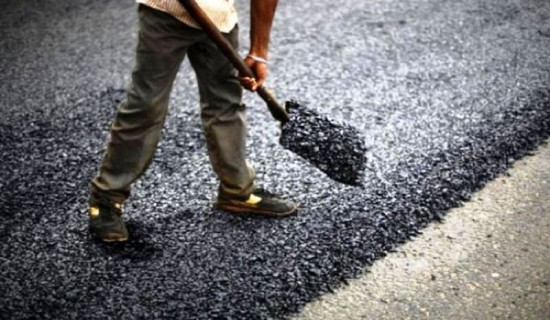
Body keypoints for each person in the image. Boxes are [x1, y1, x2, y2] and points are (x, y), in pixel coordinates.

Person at [88, 0, 298, 242]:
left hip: (220, 18)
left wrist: (258, 53)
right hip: (166, 12)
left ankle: (237, 191)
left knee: (226, 102)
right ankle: (106, 197)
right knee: (145, 106)